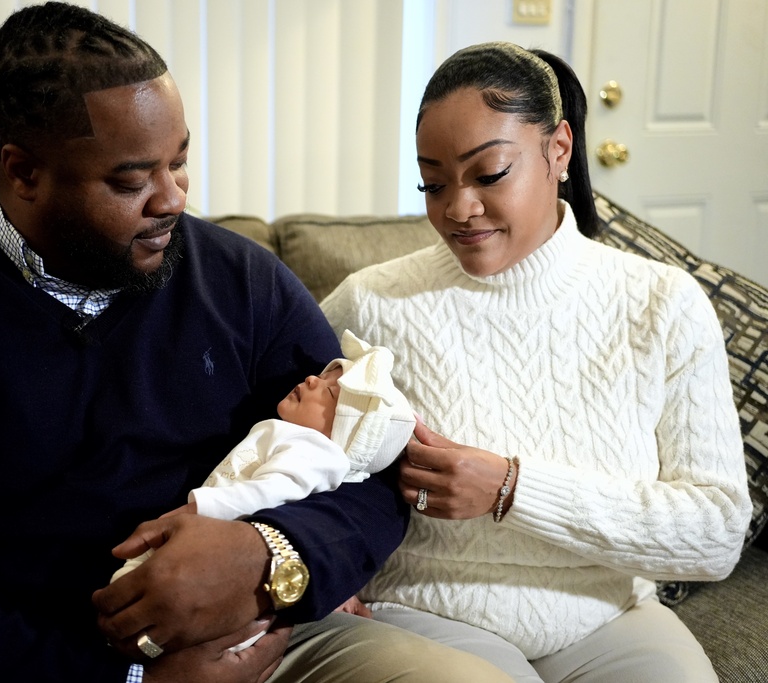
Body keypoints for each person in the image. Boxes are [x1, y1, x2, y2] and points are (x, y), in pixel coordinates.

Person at [0, 4, 511, 682]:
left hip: (269, 637)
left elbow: (375, 469)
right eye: (132, 180)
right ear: (22, 171)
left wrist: (271, 561)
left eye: (178, 161)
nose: (174, 198)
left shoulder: (238, 278)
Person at [320, 41, 753, 683]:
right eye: (433, 183)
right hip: (426, 612)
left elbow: (716, 533)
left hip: (606, 618)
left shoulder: (662, 303)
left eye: (488, 174)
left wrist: (511, 489)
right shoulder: (373, 302)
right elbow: (271, 440)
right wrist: (311, 569)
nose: (458, 209)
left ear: (559, 149)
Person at [112, 328, 416, 579]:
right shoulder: (295, 438)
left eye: (330, 392)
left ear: (350, 436)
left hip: (214, 545)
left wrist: (191, 511)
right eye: (322, 377)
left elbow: (265, 493)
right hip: (204, 532)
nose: (312, 379)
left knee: (138, 584)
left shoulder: (318, 454)